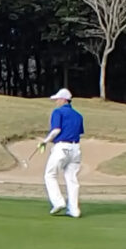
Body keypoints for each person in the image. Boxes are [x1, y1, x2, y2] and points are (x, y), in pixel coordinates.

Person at [42, 87, 84, 217]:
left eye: (57, 99)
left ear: (64, 100)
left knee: (50, 175)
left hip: (62, 147)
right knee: (72, 179)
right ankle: (74, 210)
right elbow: (79, 132)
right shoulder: (78, 115)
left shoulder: (58, 112)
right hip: (76, 149)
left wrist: (45, 141)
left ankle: (58, 202)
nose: (56, 102)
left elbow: (56, 130)